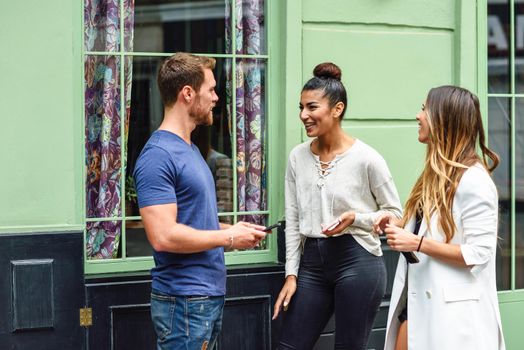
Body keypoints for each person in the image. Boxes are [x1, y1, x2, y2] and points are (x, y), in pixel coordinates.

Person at [133, 52, 267, 350]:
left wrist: (233, 233)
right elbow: (163, 235)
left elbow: (191, 221)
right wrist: (227, 235)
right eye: (211, 89)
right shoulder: (158, 156)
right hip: (184, 303)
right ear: (188, 94)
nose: (216, 98)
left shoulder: (190, 149)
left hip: (202, 299)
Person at [272, 62, 403, 350]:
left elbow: (396, 215)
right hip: (312, 266)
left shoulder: (367, 158)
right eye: (301, 107)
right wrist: (291, 274)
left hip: (357, 261)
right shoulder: (298, 157)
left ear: (337, 109)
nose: (303, 115)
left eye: (312, 107)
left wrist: (356, 218)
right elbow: (293, 220)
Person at [375, 85, 506, 350]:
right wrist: (388, 222)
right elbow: (427, 227)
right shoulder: (436, 174)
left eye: (424, 109)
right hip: (418, 304)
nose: (418, 116)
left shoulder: (475, 181)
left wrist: (417, 244)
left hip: (453, 320)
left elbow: (478, 254)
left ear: (444, 119)